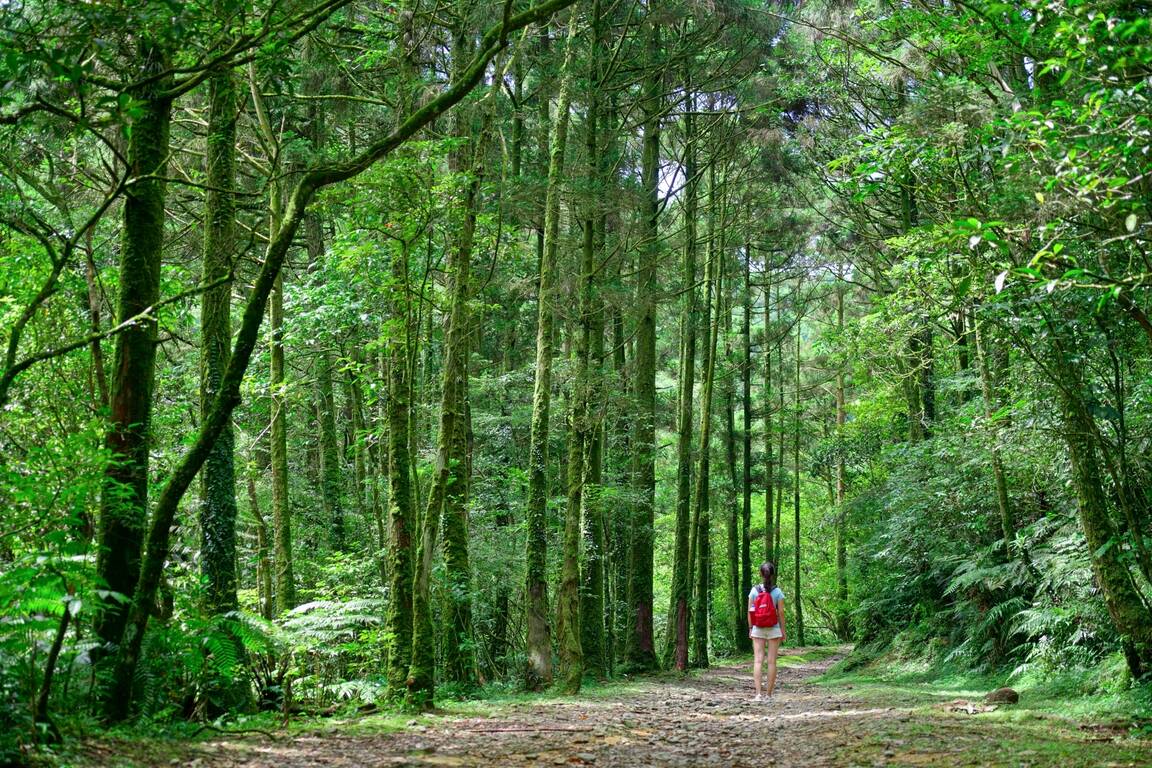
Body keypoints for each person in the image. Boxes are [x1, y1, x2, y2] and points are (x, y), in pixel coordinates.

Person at [748, 561, 786, 702]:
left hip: (758, 628)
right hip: (774, 629)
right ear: (773, 574)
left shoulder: (754, 591)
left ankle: (758, 694)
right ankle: (769, 695)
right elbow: (781, 613)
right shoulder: (777, 592)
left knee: (758, 661)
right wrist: (783, 630)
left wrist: (751, 628)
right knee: (771, 662)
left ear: (761, 574)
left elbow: (750, 611)